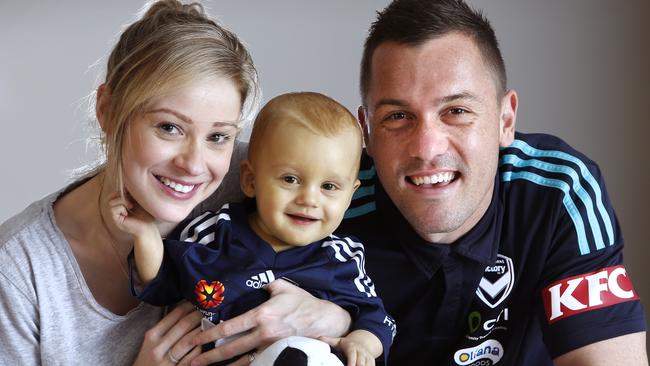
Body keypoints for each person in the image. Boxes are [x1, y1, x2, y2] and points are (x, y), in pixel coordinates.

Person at [192, 0, 648, 365]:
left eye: (457, 111)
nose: (427, 146)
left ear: (506, 119)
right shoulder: (322, 203)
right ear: (365, 130)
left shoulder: (557, 190)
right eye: (398, 117)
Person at [0, 2, 350, 365]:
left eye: (218, 136)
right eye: (170, 127)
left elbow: (358, 268)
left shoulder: (258, 183)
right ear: (107, 110)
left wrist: (334, 316)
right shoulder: (20, 271)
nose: (193, 164)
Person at [109, 92, 395, 366]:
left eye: (329, 187)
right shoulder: (215, 233)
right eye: (290, 179)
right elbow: (161, 280)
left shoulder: (342, 258)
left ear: (349, 196)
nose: (309, 199)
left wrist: (361, 342)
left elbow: (377, 319)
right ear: (250, 180)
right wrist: (146, 234)